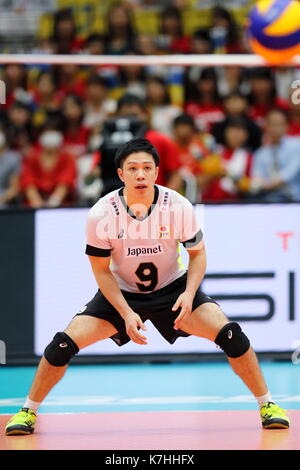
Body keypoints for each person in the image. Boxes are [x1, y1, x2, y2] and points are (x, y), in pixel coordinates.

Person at [5, 138, 289, 435]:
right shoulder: (102, 214)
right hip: (121, 293)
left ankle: (267, 405)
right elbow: (101, 272)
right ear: (120, 174)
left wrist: (190, 295)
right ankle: (27, 411)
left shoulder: (177, 206)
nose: (140, 175)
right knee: (62, 344)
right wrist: (126, 313)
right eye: (133, 169)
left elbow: (198, 254)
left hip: (172, 289)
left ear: (156, 172)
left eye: (146, 168)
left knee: (231, 334)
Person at [250, 109, 300, 202]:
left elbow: (290, 172)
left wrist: (269, 184)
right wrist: (259, 184)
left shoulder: (297, 145)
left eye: (280, 124)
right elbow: (257, 177)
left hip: (295, 199)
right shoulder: (260, 154)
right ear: (266, 127)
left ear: (287, 126)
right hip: (270, 201)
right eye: (273, 124)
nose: (276, 128)